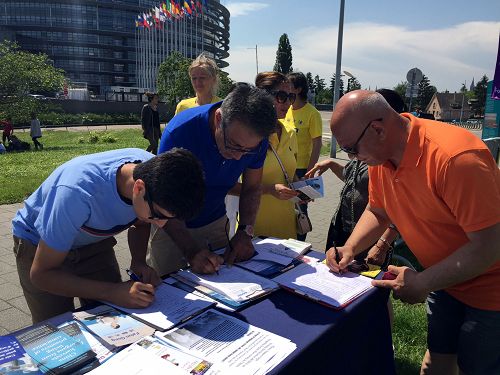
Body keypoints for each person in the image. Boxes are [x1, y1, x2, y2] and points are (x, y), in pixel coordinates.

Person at [326, 90, 500, 375]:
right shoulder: (381, 158)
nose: (352, 159)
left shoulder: (455, 158)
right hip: (445, 279)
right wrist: (350, 248)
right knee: (436, 363)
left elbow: (488, 247)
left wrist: (422, 283)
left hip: (491, 291)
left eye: (352, 150)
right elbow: (378, 210)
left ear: (379, 129)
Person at [12, 147, 205, 323]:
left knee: (113, 318)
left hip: (92, 239)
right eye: (157, 216)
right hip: (39, 245)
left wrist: (138, 261)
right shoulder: (77, 194)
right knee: (55, 330)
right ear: (139, 188)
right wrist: (112, 291)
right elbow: (41, 275)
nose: (160, 224)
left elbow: (140, 222)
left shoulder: (153, 174)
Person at [148, 83, 276, 276]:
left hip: (215, 222)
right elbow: (161, 201)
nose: (239, 157)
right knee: (170, 290)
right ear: (218, 119)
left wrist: (244, 231)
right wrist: (190, 250)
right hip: (171, 226)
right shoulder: (180, 133)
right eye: (234, 145)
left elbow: (252, 187)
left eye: (248, 150)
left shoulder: (256, 139)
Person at [307, 89, 406, 266]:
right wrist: (330, 163)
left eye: (352, 148)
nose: (353, 155)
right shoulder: (369, 149)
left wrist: (383, 244)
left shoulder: (388, 158)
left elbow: (399, 210)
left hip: (373, 237)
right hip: (349, 230)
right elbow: (352, 177)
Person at [229, 72, 299, 239]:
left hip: (287, 225)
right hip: (254, 227)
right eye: (282, 96)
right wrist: (269, 190)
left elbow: (290, 174)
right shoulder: (248, 136)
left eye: (291, 97)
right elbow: (228, 186)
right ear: (263, 97)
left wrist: (301, 189)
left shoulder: (290, 133)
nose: (288, 103)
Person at [285, 72, 323, 240]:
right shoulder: (285, 110)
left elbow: (317, 144)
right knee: (285, 207)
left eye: (289, 85)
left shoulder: (312, 113)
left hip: (301, 169)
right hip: (284, 167)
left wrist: (310, 172)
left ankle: (300, 247)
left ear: (299, 89)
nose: (285, 88)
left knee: (300, 210)